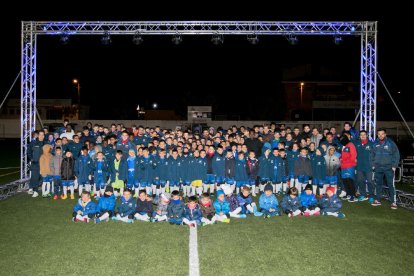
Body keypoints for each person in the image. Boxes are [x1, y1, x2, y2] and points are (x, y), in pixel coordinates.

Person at [371, 128, 400, 209]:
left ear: (385, 134)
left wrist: (394, 165)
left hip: (389, 168)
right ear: (377, 135)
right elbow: (371, 155)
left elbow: (396, 154)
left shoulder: (391, 143)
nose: (380, 136)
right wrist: (373, 164)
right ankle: (377, 200)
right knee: (378, 184)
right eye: (379, 134)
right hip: (378, 168)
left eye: (382, 134)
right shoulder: (374, 143)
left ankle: (393, 202)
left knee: (391, 185)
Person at [354, 130, 374, 202]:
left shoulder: (371, 144)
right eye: (361, 135)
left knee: (369, 181)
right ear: (359, 136)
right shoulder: (357, 144)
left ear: (367, 135)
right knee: (360, 181)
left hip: (368, 166)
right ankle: (363, 194)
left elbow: (374, 154)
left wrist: (373, 164)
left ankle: (371, 195)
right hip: (359, 166)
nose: (362, 136)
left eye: (364, 134)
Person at [28, 130, 47, 198]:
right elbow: (29, 151)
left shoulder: (46, 143)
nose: (41, 136)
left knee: (42, 178)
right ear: (38, 135)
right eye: (40, 134)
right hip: (35, 163)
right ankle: (35, 191)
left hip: (44, 164)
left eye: (43, 135)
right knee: (35, 177)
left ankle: (36, 187)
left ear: (44, 136)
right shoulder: (33, 143)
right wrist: (31, 159)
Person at [339, 133, 357, 202]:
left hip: (349, 166)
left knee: (350, 180)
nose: (341, 140)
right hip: (343, 166)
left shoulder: (351, 145)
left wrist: (344, 160)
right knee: (345, 181)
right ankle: (348, 194)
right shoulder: (344, 146)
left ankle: (353, 195)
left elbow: (353, 156)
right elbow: (343, 155)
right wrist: (340, 158)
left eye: (343, 139)